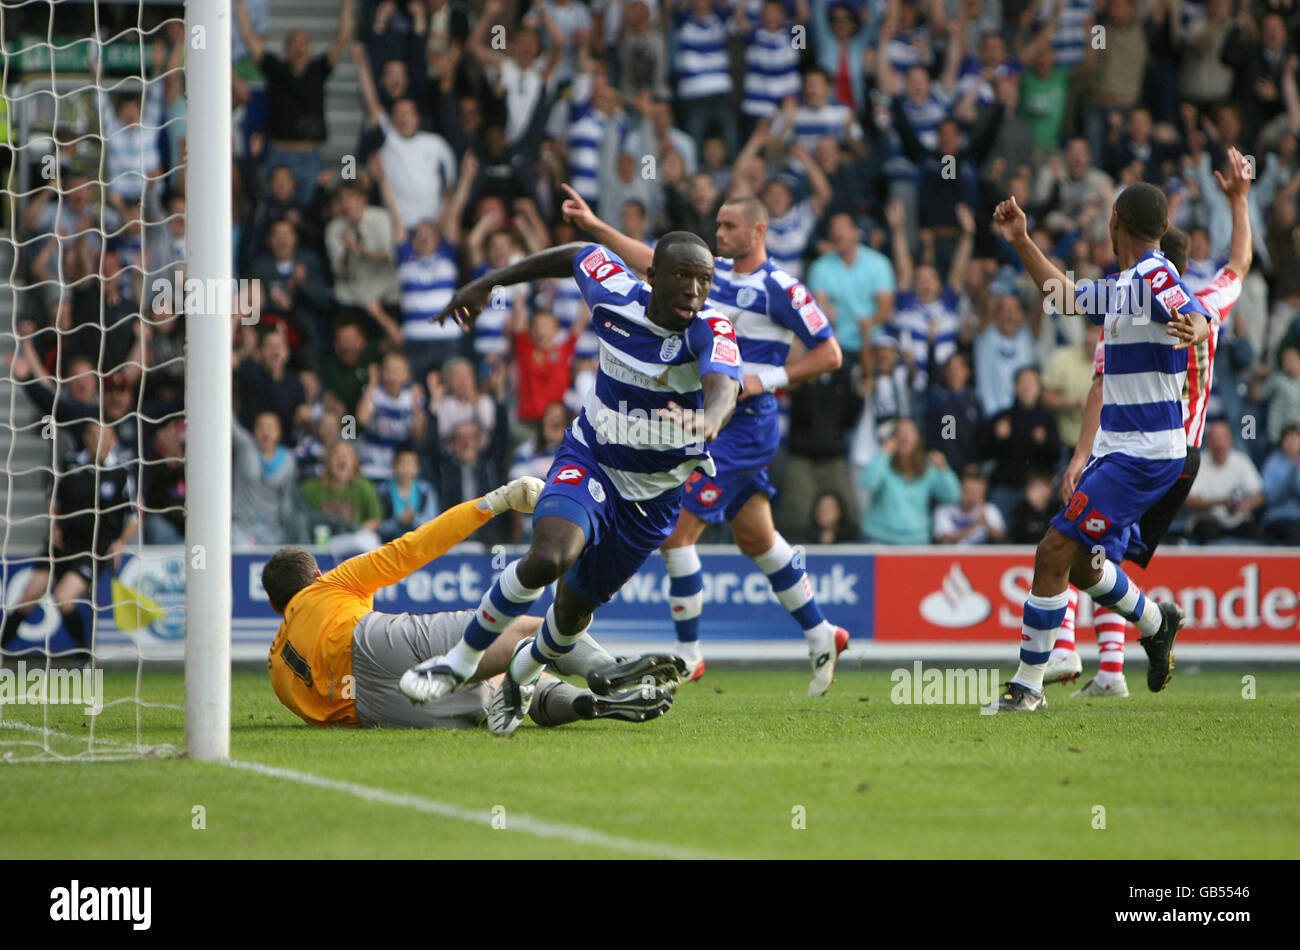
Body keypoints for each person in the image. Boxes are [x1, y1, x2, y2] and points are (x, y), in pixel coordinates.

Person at [398, 233, 742, 736]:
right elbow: (575, 253)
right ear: (651, 276)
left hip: (650, 502)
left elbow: (725, 385)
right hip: (591, 459)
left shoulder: (711, 328)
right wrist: (489, 281)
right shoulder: (613, 292)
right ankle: (459, 661)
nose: (694, 289)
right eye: (681, 275)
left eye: (704, 279)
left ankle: (521, 675)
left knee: (571, 612)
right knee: (550, 557)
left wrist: (710, 420)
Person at [558, 185, 849, 692]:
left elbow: (830, 354)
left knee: (676, 531)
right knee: (757, 538)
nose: (719, 234)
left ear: (759, 230)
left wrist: (764, 379)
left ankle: (690, 653)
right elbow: (651, 261)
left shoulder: (782, 287)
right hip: (704, 415)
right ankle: (823, 632)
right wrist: (595, 228)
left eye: (730, 226)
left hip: (742, 421)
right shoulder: (704, 275)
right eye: (717, 226)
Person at [985, 180, 1209, 712]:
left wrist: (1196, 327)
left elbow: (1192, 309)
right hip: (1120, 450)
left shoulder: (1155, 276)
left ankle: (1027, 687)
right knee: (1083, 563)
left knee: (1051, 551)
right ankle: (1156, 622)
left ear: (1114, 221)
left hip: (1144, 454)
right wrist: (1020, 239)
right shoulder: (1126, 284)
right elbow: (1062, 296)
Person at [1046, 147, 1254, 697]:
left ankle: (1067, 649)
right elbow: (1238, 267)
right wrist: (1240, 202)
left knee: (1075, 537)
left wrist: (1078, 455)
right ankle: (1112, 670)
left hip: (1141, 445)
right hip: (1184, 457)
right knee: (1100, 547)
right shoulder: (1206, 299)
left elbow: (1096, 386)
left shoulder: (1130, 306)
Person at [262, 479, 674, 730]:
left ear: (276, 606)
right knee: (528, 630)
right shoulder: (330, 586)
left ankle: (586, 704)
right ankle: (607, 672)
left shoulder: (276, 667)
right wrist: (493, 503)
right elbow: (414, 548)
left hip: (375, 712)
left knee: (502, 683)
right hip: (366, 643)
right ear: (315, 577)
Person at [1, 422, 137, 658]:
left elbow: (135, 516)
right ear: (86, 438)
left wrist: (121, 542)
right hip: (61, 545)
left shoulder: (122, 473)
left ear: (112, 439)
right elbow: (51, 500)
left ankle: (83, 656)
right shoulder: (69, 465)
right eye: (93, 435)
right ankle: (2, 648)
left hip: (93, 549)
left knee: (63, 598)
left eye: (104, 436)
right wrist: (54, 527)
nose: (98, 440)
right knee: (28, 596)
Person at [860, 417, 960, 545]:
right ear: (893, 437)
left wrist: (944, 470)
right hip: (880, 538)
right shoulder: (883, 463)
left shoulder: (928, 468)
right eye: (900, 432)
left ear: (918, 438)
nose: (904, 436)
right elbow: (868, 483)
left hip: (915, 540)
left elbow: (952, 496)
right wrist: (883, 454)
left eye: (909, 432)